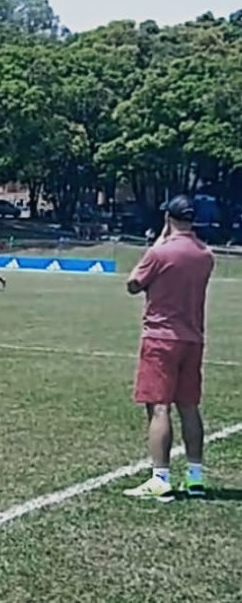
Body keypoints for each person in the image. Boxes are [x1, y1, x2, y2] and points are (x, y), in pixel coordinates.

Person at [123, 195, 214, 501]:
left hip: (161, 337)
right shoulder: (206, 254)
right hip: (193, 338)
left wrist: (158, 243)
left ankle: (160, 477)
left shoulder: (160, 252)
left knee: (159, 406)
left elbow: (133, 283)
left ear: (167, 217)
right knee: (189, 406)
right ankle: (195, 477)